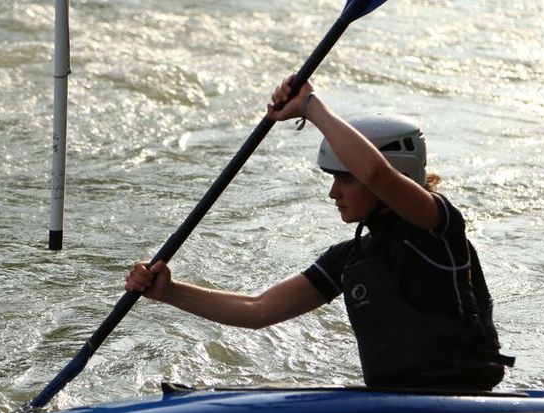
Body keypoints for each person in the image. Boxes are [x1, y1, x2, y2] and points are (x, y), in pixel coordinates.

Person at [125, 75, 514, 390]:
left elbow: (376, 173)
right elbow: (256, 310)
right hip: (392, 403)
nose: (334, 192)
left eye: (345, 179)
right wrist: (171, 293)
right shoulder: (350, 258)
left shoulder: (438, 227)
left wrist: (312, 108)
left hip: (461, 395)